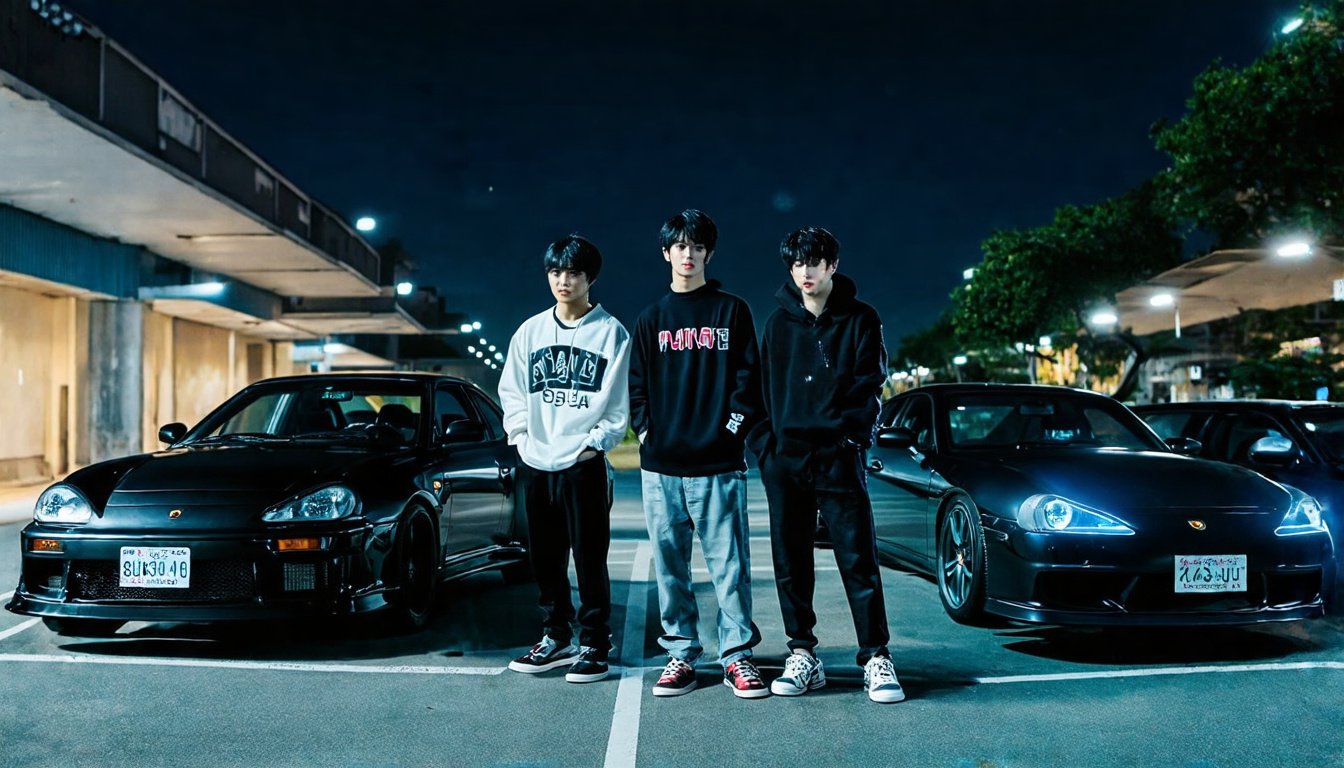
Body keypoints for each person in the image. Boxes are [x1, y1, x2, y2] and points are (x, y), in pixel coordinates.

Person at [747, 226, 905, 704]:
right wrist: (765, 448)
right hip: (786, 460)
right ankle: (803, 653)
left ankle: (876, 656)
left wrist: (851, 439)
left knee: (857, 558)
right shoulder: (777, 325)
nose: (805, 272)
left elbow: (870, 385)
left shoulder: (861, 318)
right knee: (790, 562)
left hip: (839, 457)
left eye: (814, 263)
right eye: (796, 264)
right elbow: (759, 392)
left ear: (832, 265)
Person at [628, 208, 767, 699]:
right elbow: (637, 386)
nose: (688, 254)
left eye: (697, 246)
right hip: (661, 467)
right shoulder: (651, 318)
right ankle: (681, 655)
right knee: (670, 568)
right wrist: (646, 432)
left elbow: (750, 383)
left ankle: (737, 657)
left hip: (719, 463)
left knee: (730, 567)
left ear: (708, 252)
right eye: (679, 246)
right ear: (666, 253)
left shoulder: (732, 311)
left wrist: (731, 432)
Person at [499, 235, 631, 684]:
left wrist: (595, 444)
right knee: (544, 557)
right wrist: (520, 435)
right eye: (556, 272)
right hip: (535, 460)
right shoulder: (530, 331)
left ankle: (595, 642)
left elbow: (617, 404)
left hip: (582, 463)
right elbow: (512, 390)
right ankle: (555, 636)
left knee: (590, 557)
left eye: (573, 272)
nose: (563, 280)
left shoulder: (611, 333)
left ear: (589, 278)